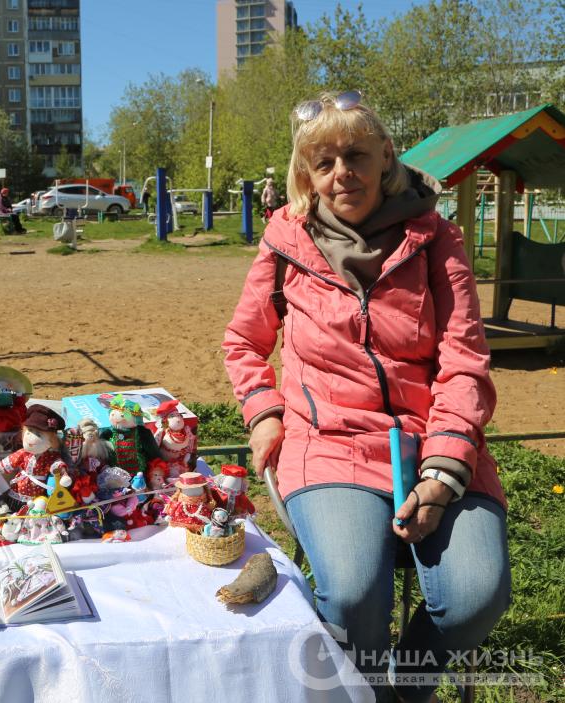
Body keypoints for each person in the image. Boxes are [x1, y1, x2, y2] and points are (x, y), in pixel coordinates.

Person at [222, 91, 509, 703]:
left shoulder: (437, 240)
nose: (340, 173)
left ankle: (400, 689)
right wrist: (264, 413)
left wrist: (446, 469)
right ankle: (359, 693)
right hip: (328, 441)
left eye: (354, 155)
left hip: (433, 438)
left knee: (477, 599)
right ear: (307, 175)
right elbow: (243, 343)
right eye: (322, 164)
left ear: (385, 157)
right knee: (353, 595)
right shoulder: (285, 241)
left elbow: (465, 361)